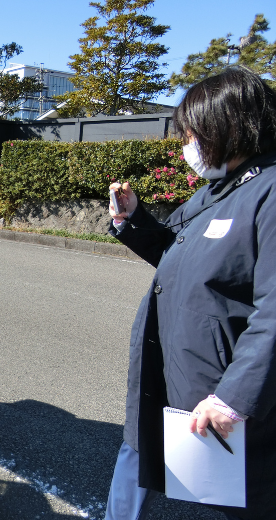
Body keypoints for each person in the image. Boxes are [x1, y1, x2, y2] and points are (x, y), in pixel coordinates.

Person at [104, 66, 276, 520]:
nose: (187, 145)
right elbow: (176, 253)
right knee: (138, 448)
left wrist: (234, 397)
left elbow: (273, 311)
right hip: (171, 366)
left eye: (193, 132)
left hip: (218, 388)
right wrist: (132, 219)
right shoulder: (215, 191)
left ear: (230, 125)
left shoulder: (268, 193)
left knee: (233, 494)